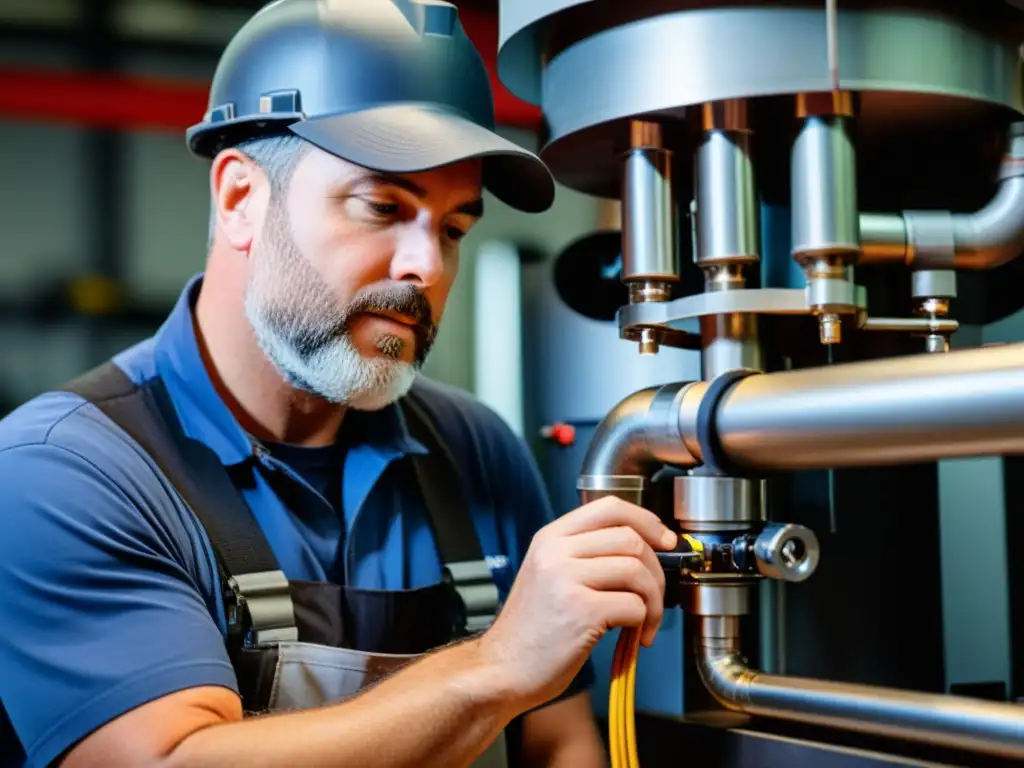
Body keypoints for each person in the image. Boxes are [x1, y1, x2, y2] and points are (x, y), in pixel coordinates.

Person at [0, 2, 676, 766]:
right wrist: (490, 667)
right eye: (383, 207)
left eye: (453, 228)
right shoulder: (62, 472)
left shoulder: (473, 450)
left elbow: (559, 742)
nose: (428, 266)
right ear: (240, 200)